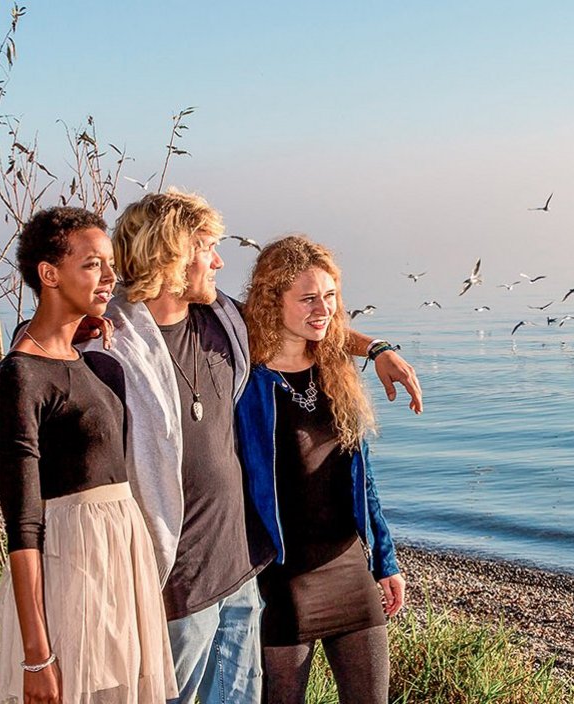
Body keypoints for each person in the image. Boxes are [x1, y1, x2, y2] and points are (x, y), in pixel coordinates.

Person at [83, 191, 420, 704]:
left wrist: (377, 348)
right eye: (206, 248)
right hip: (222, 578)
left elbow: (356, 468)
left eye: (330, 297)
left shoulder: (260, 339)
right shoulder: (144, 348)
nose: (219, 260)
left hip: (284, 569)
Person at [0, 207, 175, 704]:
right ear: (49, 274)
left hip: (118, 556)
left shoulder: (81, 354)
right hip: (72, 563)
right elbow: (23, 522)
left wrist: (85, 333)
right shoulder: (20, 376)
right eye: (92, 264)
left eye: (108, 263)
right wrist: (36, 654)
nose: (110, 277)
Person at [235, 235, 403, 703]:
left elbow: (361, 479)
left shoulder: (334, 370)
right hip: (283, 579)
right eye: (308, 298)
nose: (322, 308)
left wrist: (385, 561)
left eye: (329, 296)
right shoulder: (244, 380)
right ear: (273, 301)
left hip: (350, 567)